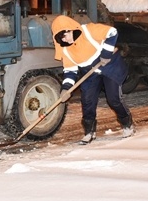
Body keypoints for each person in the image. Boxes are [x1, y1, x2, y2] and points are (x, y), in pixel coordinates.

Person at [51, 15, 134, 145]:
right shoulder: (66, 50)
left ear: (71, 29)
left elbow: (112, 32)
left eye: (65, 35)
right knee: (87, 101)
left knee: (113, 99)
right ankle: (89, 132)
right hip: (89, 74)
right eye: (61, 38)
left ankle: (127, 123)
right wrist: (66, 89)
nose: (65, 40)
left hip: (109, 66)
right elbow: (70, 71)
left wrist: (105, 54)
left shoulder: (88, 31)